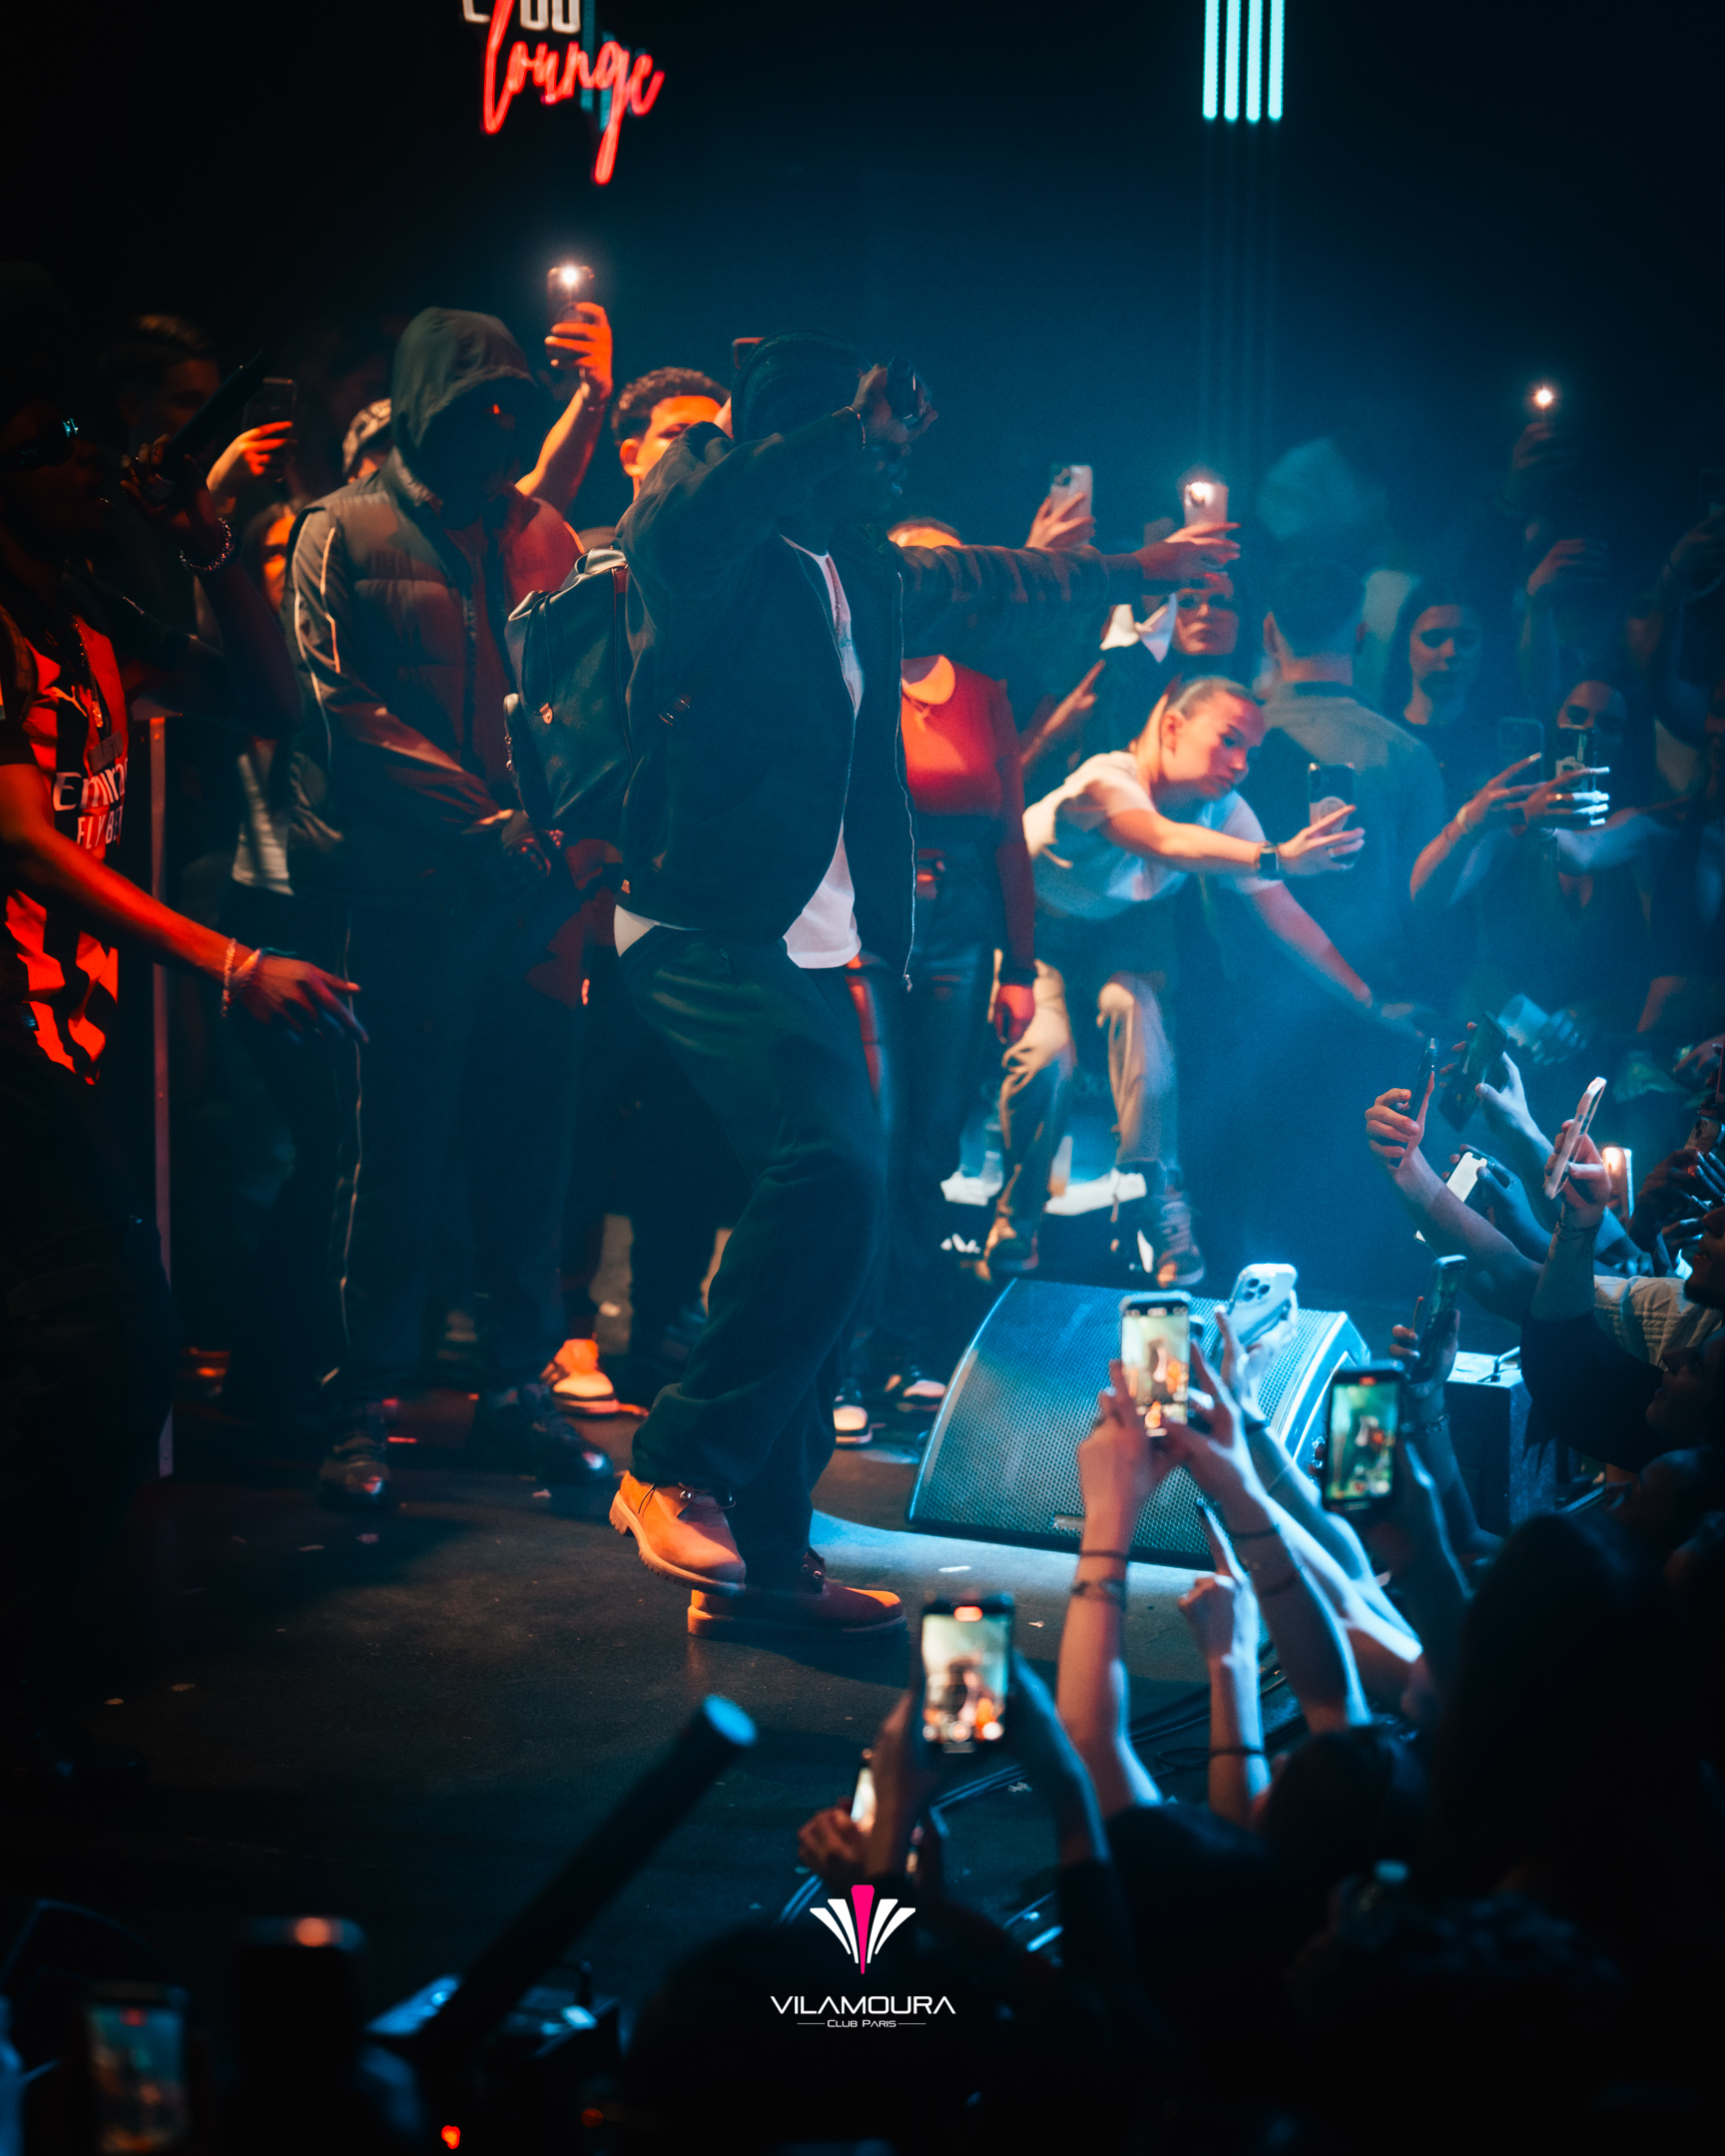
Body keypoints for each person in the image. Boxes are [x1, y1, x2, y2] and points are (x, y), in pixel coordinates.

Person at [605, 329, 1238, 1638]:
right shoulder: (705, 546)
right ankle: (675, 1464)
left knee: (845, 1221)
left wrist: (1135, 571)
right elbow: (707, 502)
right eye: (873, 439)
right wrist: (842, 425)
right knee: (831, 1172)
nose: (895, 460)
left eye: (894, 441)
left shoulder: (864, 572)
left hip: (816, 939)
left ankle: (768, 1556)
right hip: (701, 920)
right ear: (803, 437)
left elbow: (1001, 574)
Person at [0, 371, 363, 1792]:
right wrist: (230, 961)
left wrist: (211, 544)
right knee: (113, 1349)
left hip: (55, 1038)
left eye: (94, 441)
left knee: (79, 1358)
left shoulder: (93, 617)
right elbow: (21, 842)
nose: (86, 465)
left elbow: (271, 702)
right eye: (51, 443)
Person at [288, 305, 610, 1508]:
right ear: (424, 407)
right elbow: (338, 708)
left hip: (527, 897)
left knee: (529, 1151)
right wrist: (487, 825)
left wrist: (573, 846)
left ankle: (516, 1391)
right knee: (392, 1158)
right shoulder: (340, 528)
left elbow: (588, 700)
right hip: (401, 894)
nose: (497, 430)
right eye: (476, 407)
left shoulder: (535, 532)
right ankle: (359, 1404)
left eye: (512, 410)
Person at [983, 676, 1370, 1286]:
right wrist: (1277, 855)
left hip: (1117, 938)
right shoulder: (1105, 779)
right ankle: (1017, 1214)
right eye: (1228, 741)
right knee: (1046, 1054)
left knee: (1139, 1017)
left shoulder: (1223, 810)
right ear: (1171, 727)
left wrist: (1369, 999)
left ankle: (1161, 1200)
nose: (1240, 765)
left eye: (1251, 752)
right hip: (1034, 938)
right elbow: (1163, 841)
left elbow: (1282, 913)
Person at [833, 513, 1038, 1432]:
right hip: (865, 927)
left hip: (960, 930)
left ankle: (901, 1349)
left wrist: (1021, 965)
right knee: (867, 1143)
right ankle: (839, 1360)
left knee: (930, 1151)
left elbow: (1010, 837)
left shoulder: (986, 691)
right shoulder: (849, 673)